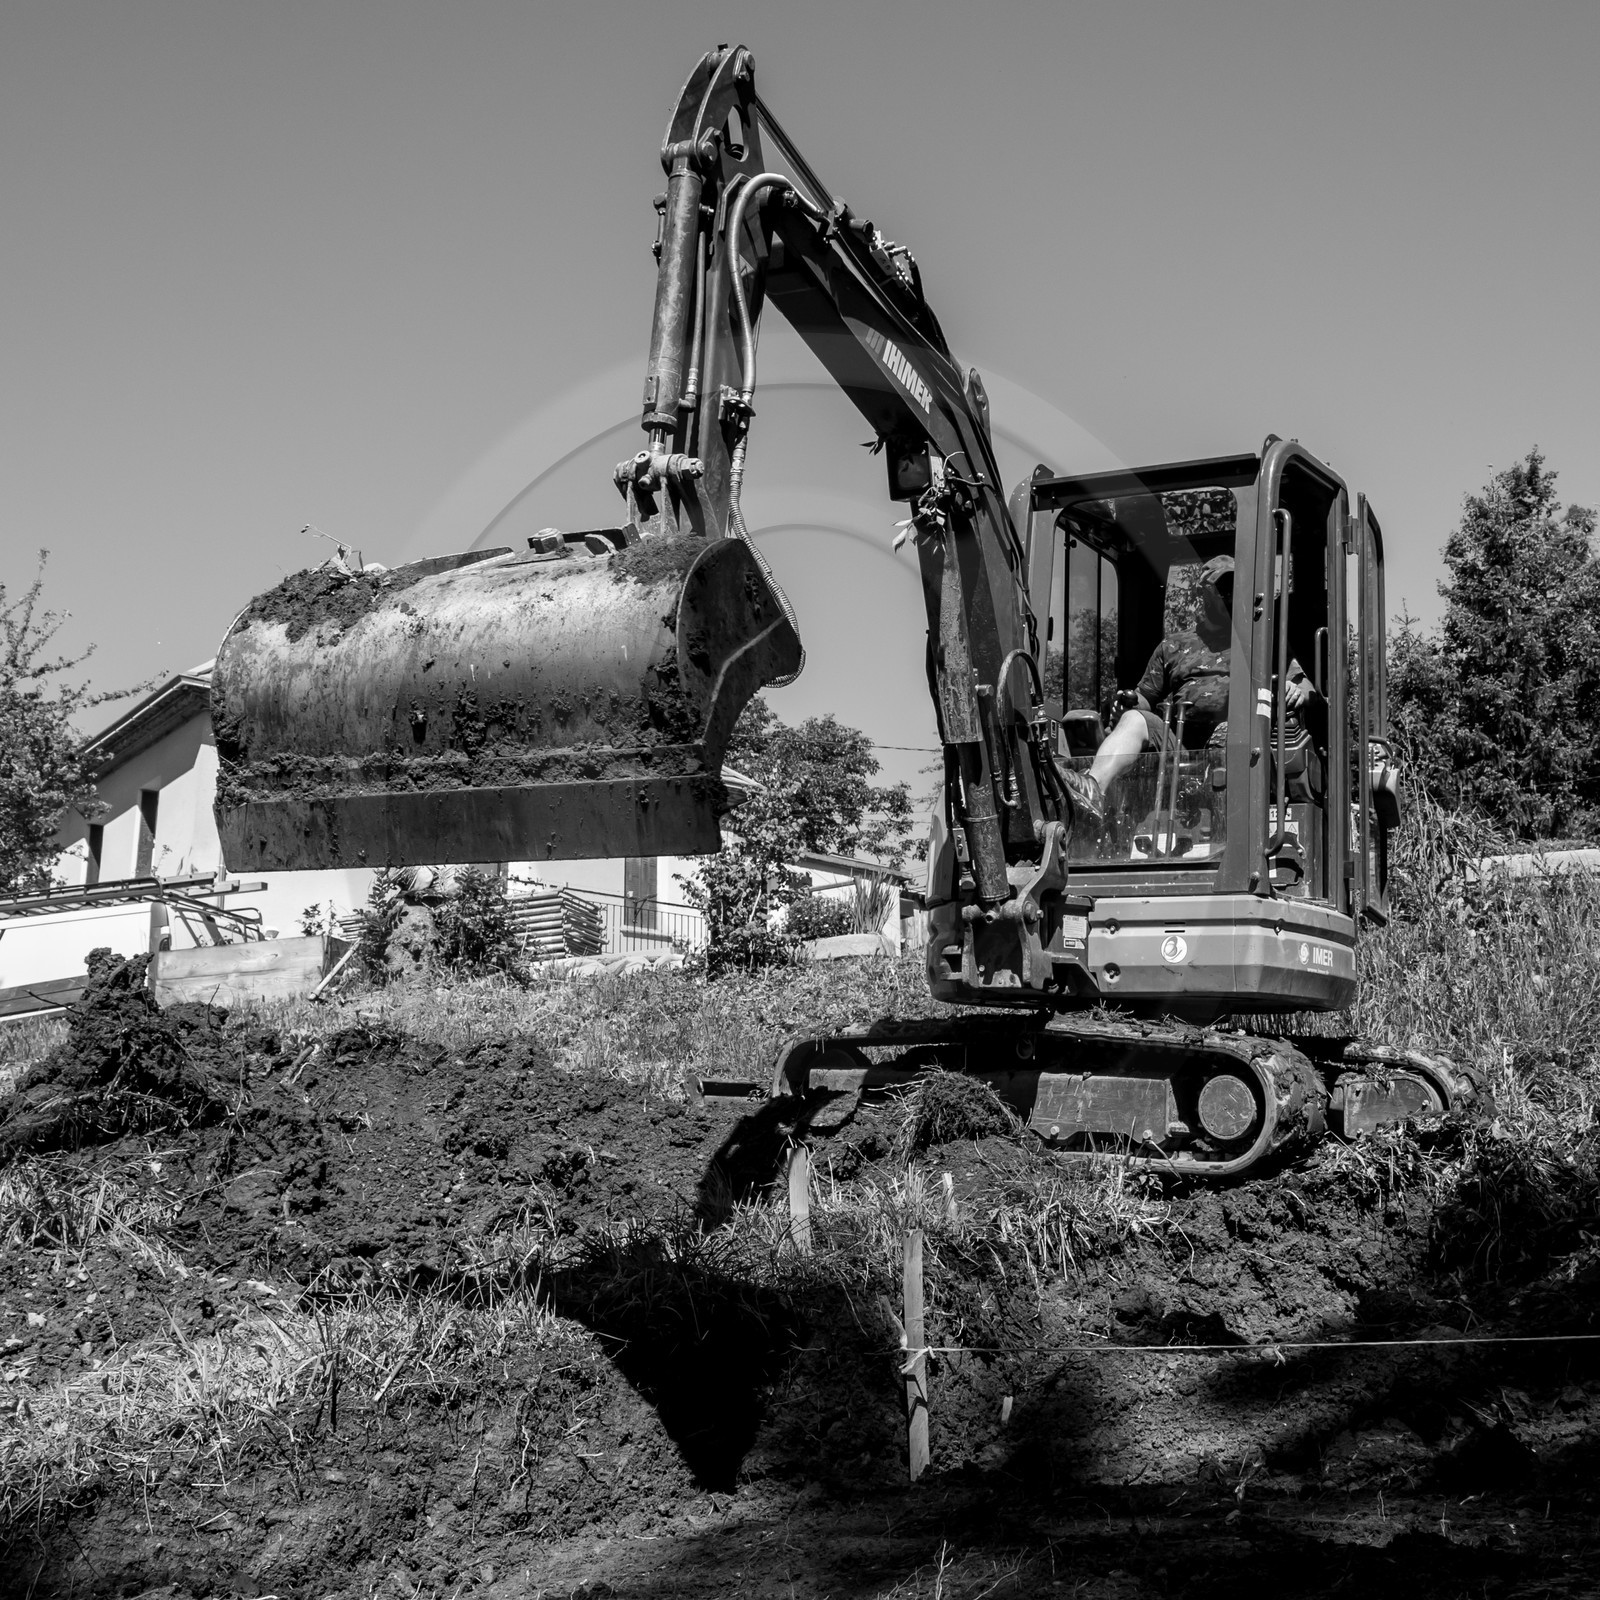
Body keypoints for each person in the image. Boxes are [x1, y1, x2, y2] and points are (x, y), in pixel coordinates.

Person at [1057, 555, 1319, 824]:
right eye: (1222, 588)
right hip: (1181, 742)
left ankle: (1237, 825)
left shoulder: (1261, 641)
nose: (1231, 594)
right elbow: (1145, 698)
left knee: (1232, 732)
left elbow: (1306, 687)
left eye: (1235, 587)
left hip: (1245, 740)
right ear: (1203, 593)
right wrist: (1129, 705)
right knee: (1134, 720)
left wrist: (1294, 688)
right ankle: (1093, 789)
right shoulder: (1173, 646)